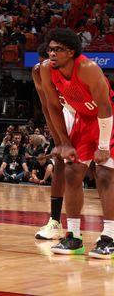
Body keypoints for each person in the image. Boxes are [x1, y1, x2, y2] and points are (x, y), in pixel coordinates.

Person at [40, 29, 114, 258]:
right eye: (50, 49)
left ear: (71, 52)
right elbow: (53, 107)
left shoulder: (88, 69)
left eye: (58, 50)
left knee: (104, 174)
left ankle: (109, 238)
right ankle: (73, 237)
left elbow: (105, 107)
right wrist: (64, 142)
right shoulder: (46, 69)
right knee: (72, 172)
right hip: (82, 120)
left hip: (107, 120)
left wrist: (103, 146)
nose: (51, 53)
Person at [32, 43, 70, 240]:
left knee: (101, 170)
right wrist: (58, 139)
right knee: (62, 163)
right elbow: (47, 106)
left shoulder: (76, 70)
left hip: (85, 114)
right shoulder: (39, 72)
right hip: (63, 114)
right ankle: (55, 222)